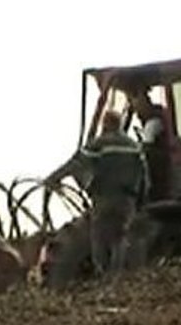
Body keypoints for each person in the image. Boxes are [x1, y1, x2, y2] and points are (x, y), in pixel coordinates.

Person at [45, 110, 147, 276]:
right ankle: (116, 275)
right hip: (127, 200)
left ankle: (102, 273)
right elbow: (144, 175)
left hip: (104, 197)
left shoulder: (97, 144)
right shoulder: (134, 146)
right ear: (120, 124)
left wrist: (53, 178)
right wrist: (140, 200)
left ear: (104, 124)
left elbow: (75, 164)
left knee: (99, 236)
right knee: (119, 237)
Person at [128, 88, 171, 200]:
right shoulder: (150, 122)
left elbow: (146, 148)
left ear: (144, 103)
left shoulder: (153, 123)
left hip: (163, 169)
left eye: (137, 106)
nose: (136, 112)